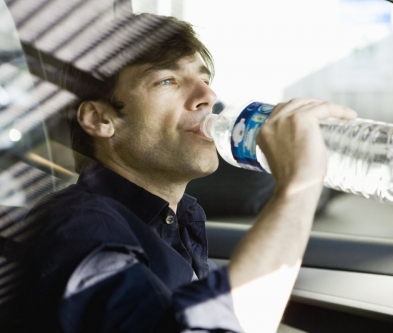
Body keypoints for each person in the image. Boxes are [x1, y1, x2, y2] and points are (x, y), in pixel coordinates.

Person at [20, 13, 357, 332]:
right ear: (100, 119)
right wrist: (298, 186)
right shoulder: (81, 230)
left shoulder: (176, 216)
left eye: (205, 80)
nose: (207, 97)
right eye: (167, 80)